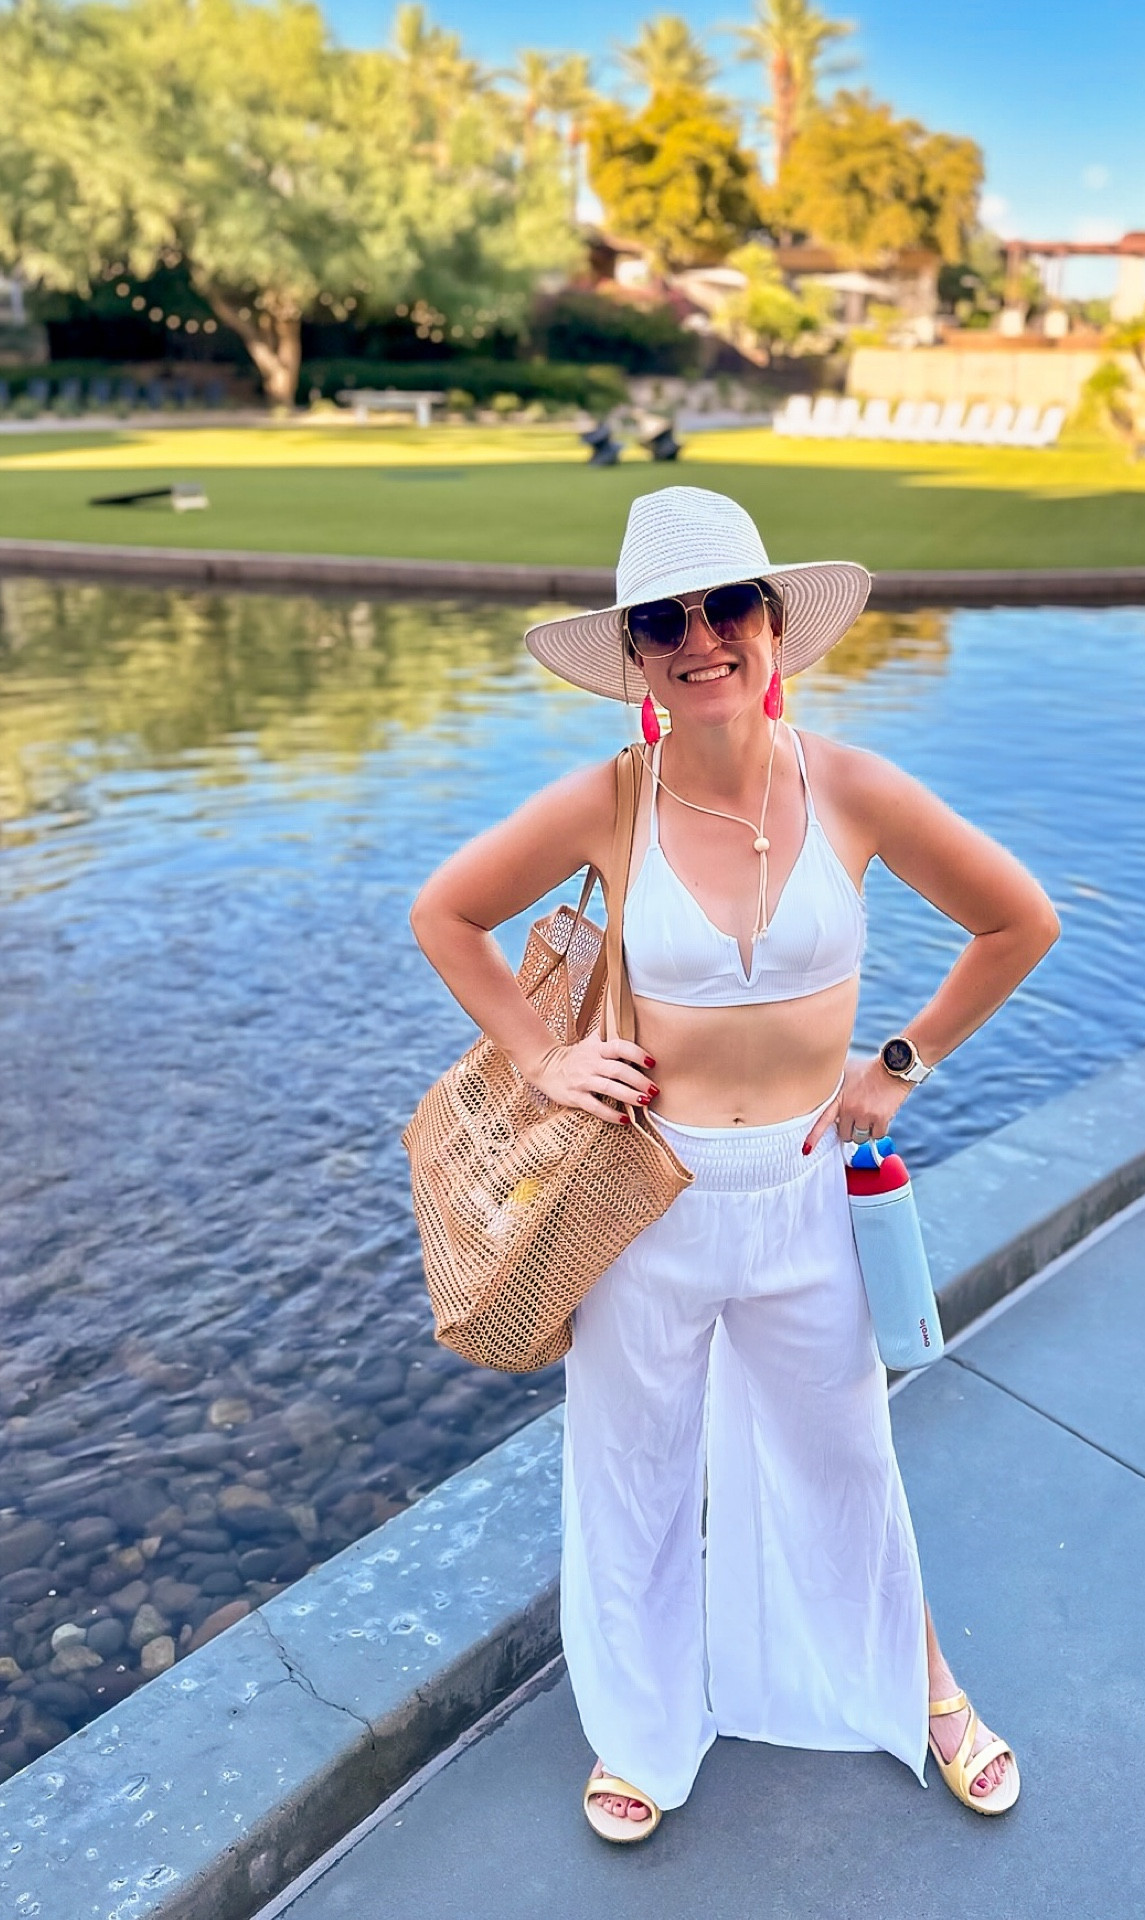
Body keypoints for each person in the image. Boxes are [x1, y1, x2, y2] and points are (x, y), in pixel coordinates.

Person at [410, 486, 1059, 1842]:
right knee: (634, 1472)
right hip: (650, 1198)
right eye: (665, 621)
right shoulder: (608, 802)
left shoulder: (855, 789)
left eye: (725, 610)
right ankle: (640, 1733)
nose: (700, 639)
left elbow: (1017, 920)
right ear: (638, 654)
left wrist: (902, 1064)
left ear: (773, 628)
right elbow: (448, 913)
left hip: (805, 1195)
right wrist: (541, 1058)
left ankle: (926, 1686)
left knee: (846, 1455)